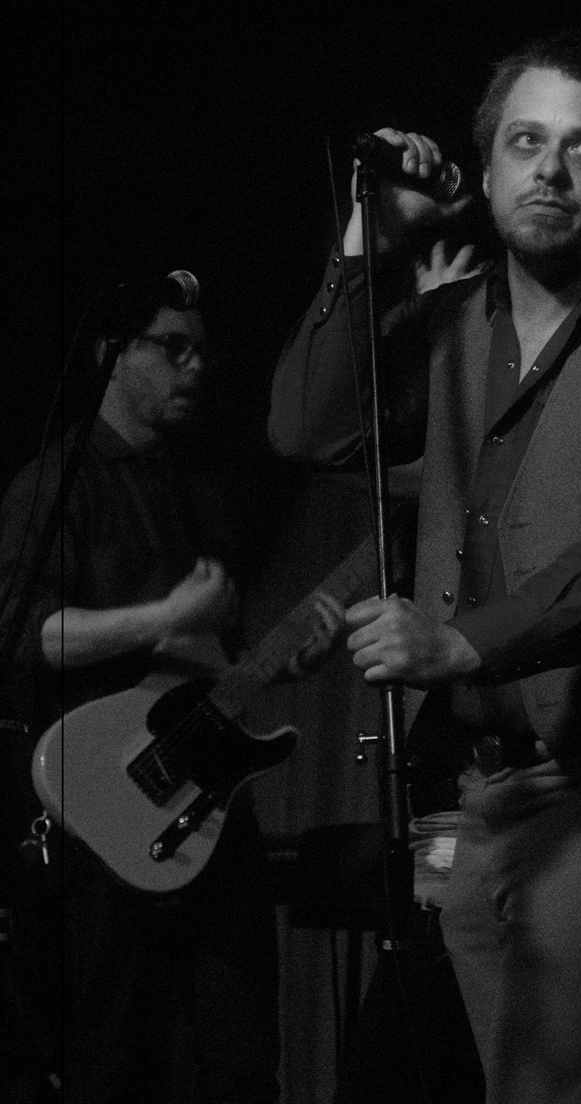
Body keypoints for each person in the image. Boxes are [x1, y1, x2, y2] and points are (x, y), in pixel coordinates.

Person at [269, 29, 581, 1103]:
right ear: (485, 170)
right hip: (487, 798)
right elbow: (307, 428)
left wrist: (459, 643)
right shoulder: (449, 327)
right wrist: (365, 247)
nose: (549, 170)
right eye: (525, 142)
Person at [0, 270, 337, 1103]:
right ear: (111, 354)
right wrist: (162, 616)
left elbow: (213, 656)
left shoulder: (199, 492)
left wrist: (282, 659)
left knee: (241, 1056)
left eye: (200, 353)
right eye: (171, 348)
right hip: (98, 809)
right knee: (115, 1056)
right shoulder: (53, 484)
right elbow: (30, 636)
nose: (195, 367)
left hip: (208, 801)